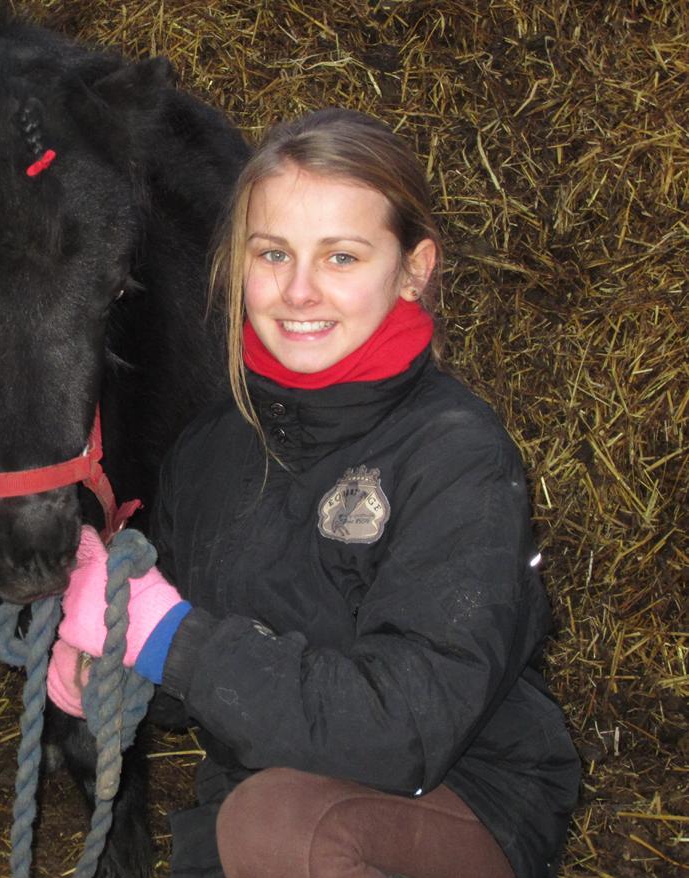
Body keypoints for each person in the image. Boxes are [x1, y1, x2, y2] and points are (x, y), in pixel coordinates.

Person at [46, 108, 580, 878]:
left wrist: (173, 640)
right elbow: (209, 670)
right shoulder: (210, 449)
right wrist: (120, 668)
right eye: (273, 254)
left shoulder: (457, 456)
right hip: (254, 802)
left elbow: (403, 730)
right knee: (263, 821)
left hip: (456, 798)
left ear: (413, 270)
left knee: (282, 828)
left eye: (341, 257)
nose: (298, 291)